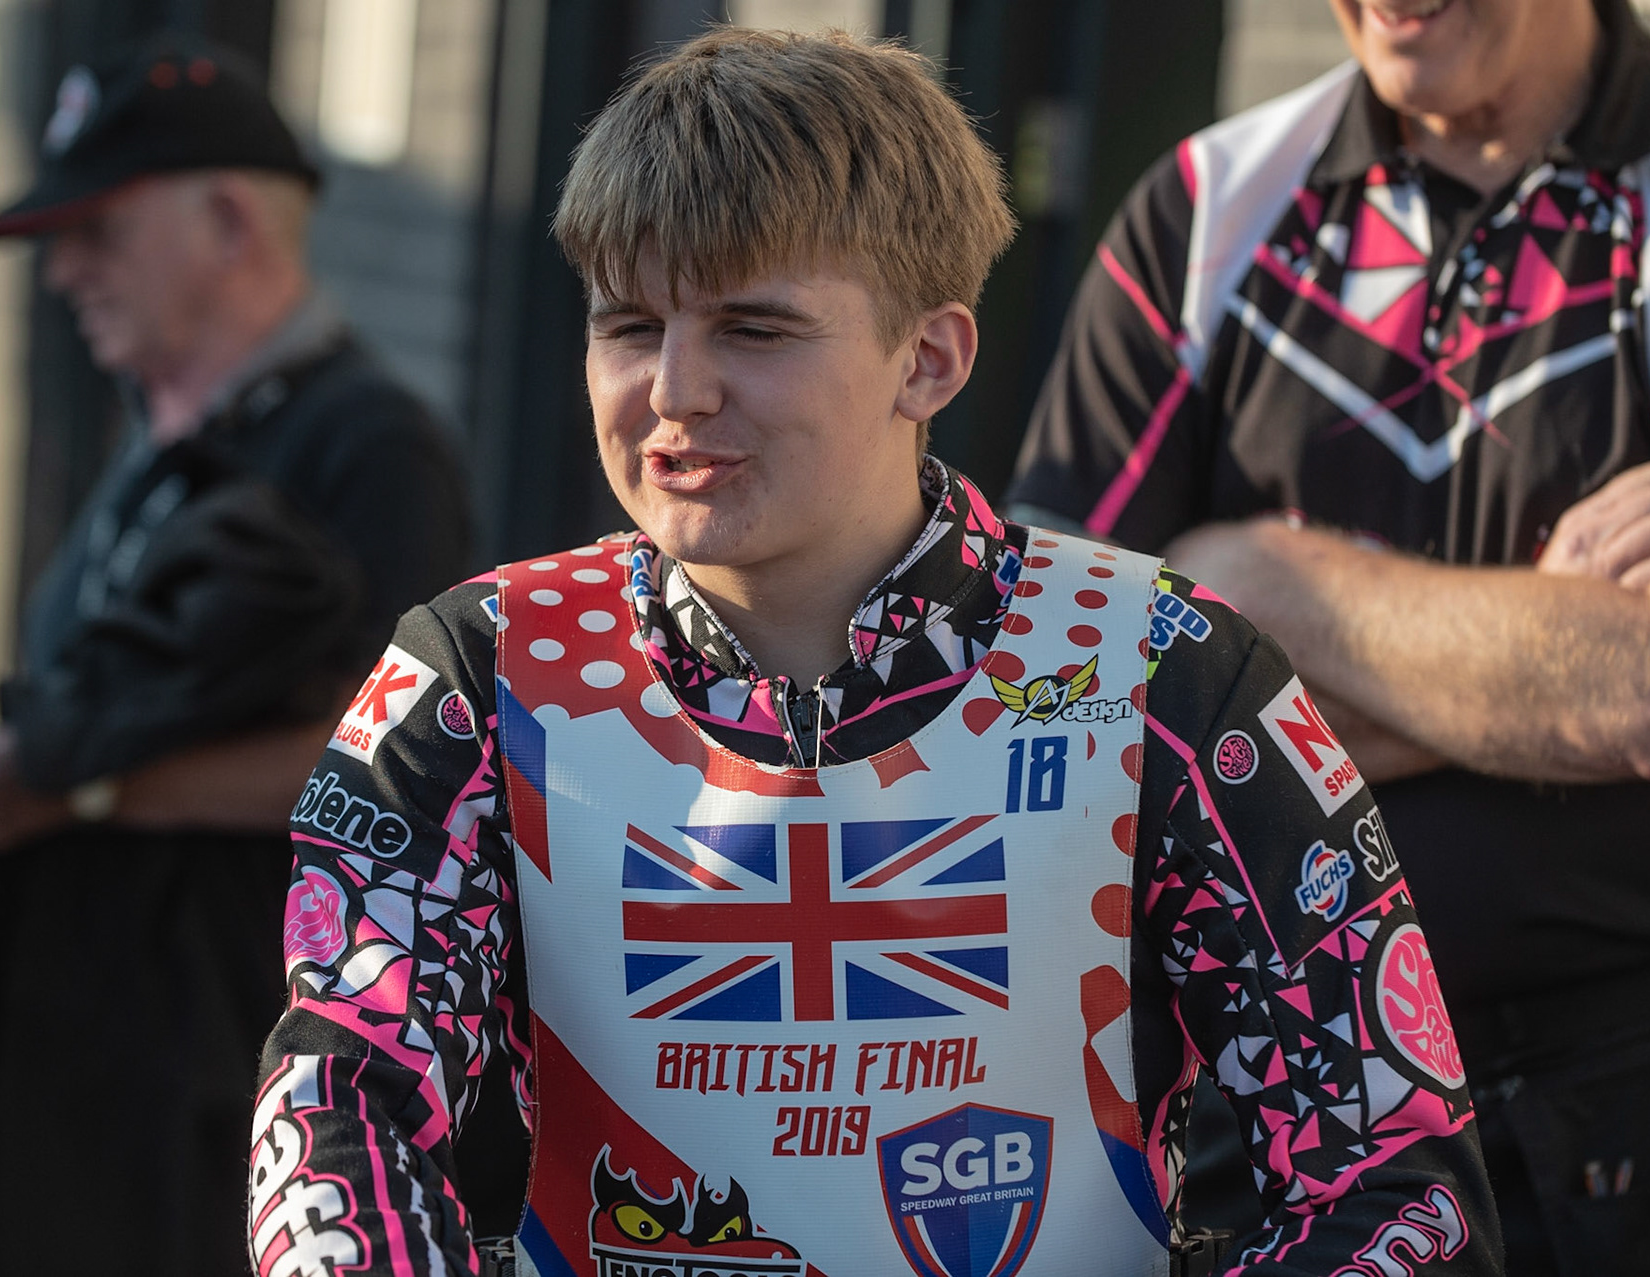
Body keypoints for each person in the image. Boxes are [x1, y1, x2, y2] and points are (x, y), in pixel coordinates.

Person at [250, 27, 1499, 1277]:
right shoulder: (478, 675)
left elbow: (1394, 1177)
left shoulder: (1159, 667)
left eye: (753, 328)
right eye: (629, 325)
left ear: (930, 358)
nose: (675, 389)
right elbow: (337, 1103)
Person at [1004, 0, 1650, 1271]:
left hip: (1647, 1121)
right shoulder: (1205, 205)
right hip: (1270, 1105)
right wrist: (1552, 631)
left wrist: (1238, 583)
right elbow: (1046, 690)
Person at [0, 36, 473, 1275]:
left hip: (200, 1080)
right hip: (59, 1063)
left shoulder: (369, 443)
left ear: (229, 218)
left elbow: (400, 763)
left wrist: (86, 788)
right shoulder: (160, 428)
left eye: (98, 231)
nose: (63, 273)